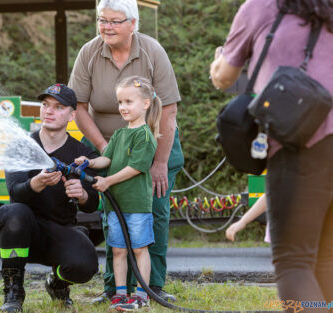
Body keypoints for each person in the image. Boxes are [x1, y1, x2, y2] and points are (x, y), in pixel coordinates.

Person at [211, 0, 333, 311]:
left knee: (294, 261)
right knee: (326, 259)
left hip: (302, 146)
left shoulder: (263, 7)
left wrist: (216, 63)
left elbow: (224, 77)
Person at [68, 0, 184, 303]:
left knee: (153, 212)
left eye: (114, 21)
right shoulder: (89, 53)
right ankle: (114, 290)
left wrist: (159, 163)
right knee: (113, 215)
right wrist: (109, 149)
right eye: (101, 20)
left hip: (156, 142)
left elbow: (169, 111)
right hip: (108, 143)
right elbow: (78, 107)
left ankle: (152, 287)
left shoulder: (152, 51)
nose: (106, 26)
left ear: (133, 23)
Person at [0, 84, 100, 313]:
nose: (49, 111)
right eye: (45, 105)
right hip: (24, 231)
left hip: (60, 232)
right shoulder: (21, 146)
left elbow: (93, 203)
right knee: (12, 213)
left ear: (72, 114)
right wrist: (37, 183)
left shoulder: (82, 154)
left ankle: (57, 281)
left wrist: (82, 194)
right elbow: (15, 192)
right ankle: (13, 290)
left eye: (58, 107)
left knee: (86, 265)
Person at [76, 76, 160, 311]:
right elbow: (107, 158)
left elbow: (136, 167)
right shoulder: (120, 134)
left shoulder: (145, 135)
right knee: (118, 250)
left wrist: (108, 181)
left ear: (145, 104)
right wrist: (89, 162)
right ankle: (120, 294)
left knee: (140, 249)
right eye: (120, 102)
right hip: (115, 206)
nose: (122, 107)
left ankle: (141, 294)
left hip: (136, 204)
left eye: (128, 102)